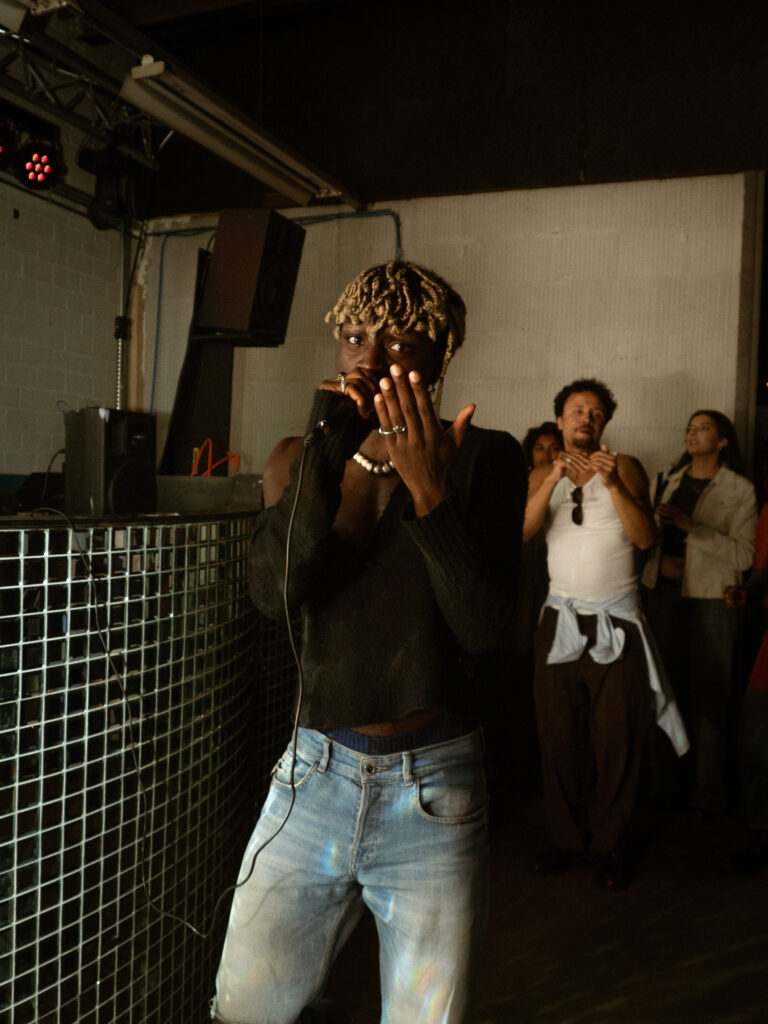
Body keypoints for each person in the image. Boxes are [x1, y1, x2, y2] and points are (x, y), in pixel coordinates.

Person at [209, 262, 526, 1024]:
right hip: (313, 779)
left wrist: (430, 492)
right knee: (245, 1007)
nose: (372, 358)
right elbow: (271, 593)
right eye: (355, 338)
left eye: (401, 344)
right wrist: (327, 452)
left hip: (433, 788)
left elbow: (485, 631)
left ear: (440, 358)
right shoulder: (298, 458)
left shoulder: (486, 458)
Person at [523, 379, 687, 891]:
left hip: (617, 620)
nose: (586, 418)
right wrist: (552, 480)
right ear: (561, 419)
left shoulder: (627, 467)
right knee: (558, 736)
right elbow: (522, 532)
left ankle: (609, 843)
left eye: (595, 412)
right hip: (560, 618)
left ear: (605, 423)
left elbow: (645, 538)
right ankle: (566, 839)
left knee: (617, 738)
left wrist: (613, 484)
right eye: (577, 410)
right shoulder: (541, 473)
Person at [642, 410, 757, 813]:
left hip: (710, 601)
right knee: (663, 692)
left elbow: (744, 556)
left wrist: (692, 527)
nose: (692, 433)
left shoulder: (739, 489)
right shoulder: (667, 480)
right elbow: (646, 539)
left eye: (703, 428)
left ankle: (708, 796)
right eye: (689, 428)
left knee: (710, 697)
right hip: (663, 597)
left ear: (723, 441)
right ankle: (664, 789)